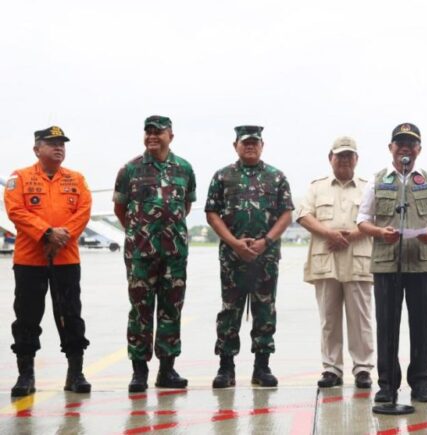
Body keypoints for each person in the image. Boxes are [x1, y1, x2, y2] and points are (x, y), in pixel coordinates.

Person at [357, 123, 427, 404]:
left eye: (411, 143)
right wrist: (379, 233)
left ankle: (421, 383)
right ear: (391, 148)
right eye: (400, 143)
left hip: (421, 262)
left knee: (421, 325)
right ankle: (387, 385)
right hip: (387, 262)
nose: (405, 148)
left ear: (418, 149)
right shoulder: (378, 180)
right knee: (387, 325)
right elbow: (362, 219)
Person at [4, 126, 92, 397]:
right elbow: (16, 211)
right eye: (52, 143)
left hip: (66, 259)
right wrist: (46, 233)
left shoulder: (76, 179)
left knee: (70, 315)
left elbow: (84, 210)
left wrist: (63, 236)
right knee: (27, 316)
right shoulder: (19, 178)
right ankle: (25, 375)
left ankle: (75, 373)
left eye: (62, 144)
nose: (59, 148)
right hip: (30, 261)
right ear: (36, 149)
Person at [205, 125, 294, 388]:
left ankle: (262, 367)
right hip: (232, 257)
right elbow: (212, 214)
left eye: (255, 142)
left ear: (262, 145)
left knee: (265, 309)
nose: (250, 146)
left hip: (265, 257)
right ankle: (226, 368)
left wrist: (265, 242)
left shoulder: (276, 177)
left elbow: (286, 214)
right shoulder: (223, 176)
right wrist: (234, 243)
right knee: (230, 310)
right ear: (236, 146)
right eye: (245, 142)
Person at [113, 115, 196, 393]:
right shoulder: (130, 169)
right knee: (140, 311)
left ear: (170, 135)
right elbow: (120, 210)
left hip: (174, 254)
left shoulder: (184, 169)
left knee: (171, 310)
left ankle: (167, 370)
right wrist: (141, 234)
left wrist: (165, 233)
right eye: (148, 132)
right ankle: (139, 372)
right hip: (140, 254)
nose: (152, 136)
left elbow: (185, 206)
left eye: (158, 132)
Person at [297, 136, 374, 389]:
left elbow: (377, 217)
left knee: (360, 319)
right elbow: (304, 215)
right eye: (339, 155)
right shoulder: (317, 187)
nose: (343, 160)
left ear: (356, 159)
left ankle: (363, 369)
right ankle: (331, 369)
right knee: (329, 320)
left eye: (348, 155)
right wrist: (329, 233)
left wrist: (351, 235)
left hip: (358, 258)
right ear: (330, 158)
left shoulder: (368, 187)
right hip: (326, 259)